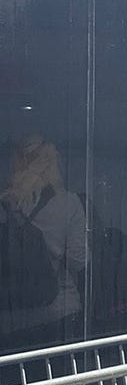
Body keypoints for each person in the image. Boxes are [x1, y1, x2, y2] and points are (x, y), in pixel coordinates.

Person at [0, 136, 87, 351]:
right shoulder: (69, 203)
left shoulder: (4, 204)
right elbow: (79, 260)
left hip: (12, 318)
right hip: (60, 313)